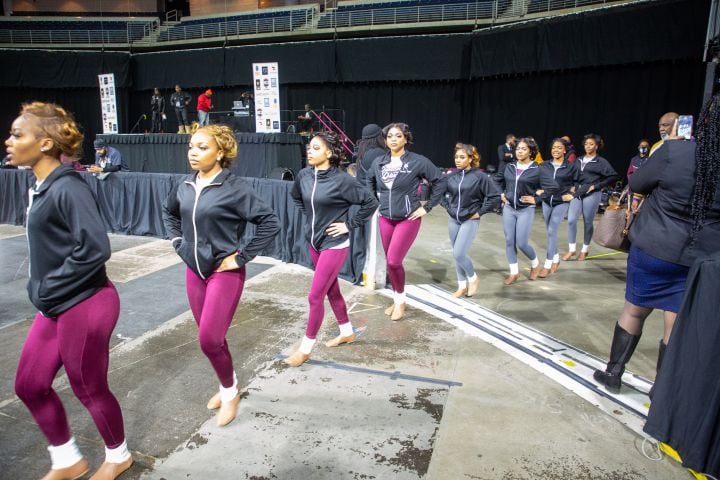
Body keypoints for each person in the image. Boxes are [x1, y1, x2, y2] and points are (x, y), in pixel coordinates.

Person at [7, 102, 132, 480]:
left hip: (86, 302)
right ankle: (67, 460)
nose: (9, 140)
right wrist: (47, 294)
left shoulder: (68, 186)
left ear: (45, 144)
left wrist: (47, 288)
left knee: (88, 387)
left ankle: (118, 455)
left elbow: (95, 248)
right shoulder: (43, 185)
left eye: (18, 134)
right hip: (56, 304)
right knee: (29, 385)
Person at [593, 99, 720, 396]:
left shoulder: (676, 150)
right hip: (699, 257)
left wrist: (670, 148)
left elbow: (637, 184)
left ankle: (613, 372)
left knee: (635, 309)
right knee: (675, 321)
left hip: (654, 246)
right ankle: (661, 388)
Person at [162, 124, 280, 426]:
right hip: (193, 270)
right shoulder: (184, 184)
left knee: (209, 340)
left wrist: (241, 257)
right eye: (191, 146)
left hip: (223, 274)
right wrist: (178, 242)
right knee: (211, 340)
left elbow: (269, 222)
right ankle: (230, 385)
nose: (193, 152)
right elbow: (169, 213)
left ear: (221, 152)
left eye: (202, 147)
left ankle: (230, 394)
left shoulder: (234, 188)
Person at [284, 131, 378, 367]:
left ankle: (305, 349)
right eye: (309, 147)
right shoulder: (305, 175)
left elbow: (370, 202)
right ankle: (347, 331)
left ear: (329, 153)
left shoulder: (342, 180)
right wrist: (310, 221)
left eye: (316, 148)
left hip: (335, 244)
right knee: (331, 291)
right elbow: (296, 197)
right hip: (313, 241)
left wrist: (348, 224)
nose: (309, 151)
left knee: (315, 296)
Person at [367, 122, 445, 320]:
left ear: (406, 139)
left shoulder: (417, 161)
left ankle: (400, 302)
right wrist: (375, 202)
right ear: (385, 140)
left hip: (408, 218)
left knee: (394, 261)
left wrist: (426, 207)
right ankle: (397, 300)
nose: (393, 139)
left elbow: (440, 181)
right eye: (390, 136)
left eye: (398, 136)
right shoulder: (379, 162)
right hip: (385, 218)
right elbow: (369, 180)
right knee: (391, 264)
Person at [494, 137, 557, 285]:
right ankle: (514, 272)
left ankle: (535, 264)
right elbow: (495, 180)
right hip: (509, 208)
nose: (520, 151)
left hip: (525, 209)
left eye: (523, 149)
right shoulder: (509, 166)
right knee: (510, 241)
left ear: (531, 151)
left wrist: (536, 199)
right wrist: (501, 194)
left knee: (521, 243)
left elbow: (553, 187)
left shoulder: (537, 169)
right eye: (518, 149)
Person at [441, 143, 501, 297]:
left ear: (470, 159)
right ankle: (462, 286)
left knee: (459, 253)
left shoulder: (480, 177)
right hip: (454, 219)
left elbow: (494, 196)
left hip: (470, 219)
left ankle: (473, 278)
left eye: (462, 157)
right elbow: (438, 193)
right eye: (456, 157)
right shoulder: (451, 176)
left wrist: (480, 212)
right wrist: (448, 207)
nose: (458, 160)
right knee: (456, 254)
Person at [562, 133, 617, 261]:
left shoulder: (601, 162)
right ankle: (572, 250)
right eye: (586, 144)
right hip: (578, 192)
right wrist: (573, 186)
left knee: (588, 222)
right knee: (571, 220)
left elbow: (613, 176)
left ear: (597, 146)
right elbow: (573, 175)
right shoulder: (579, 159)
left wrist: (597, 186)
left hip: (592, 193)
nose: (588, 146)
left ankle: (585, 250)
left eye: (591, 144)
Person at [538, 138, 579, 277]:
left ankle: (547, 264)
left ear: (564, 150)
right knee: (550, 232)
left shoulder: (571, 166)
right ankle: (556, 258)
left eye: (559, 147)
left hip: (561, 202)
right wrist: (537, 191)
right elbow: (535, 180)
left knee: (551, 231)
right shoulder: (544, 165)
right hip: (546, 201)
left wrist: (573, 194)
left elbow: (581, 182)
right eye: (554, 147)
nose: (556, 150)